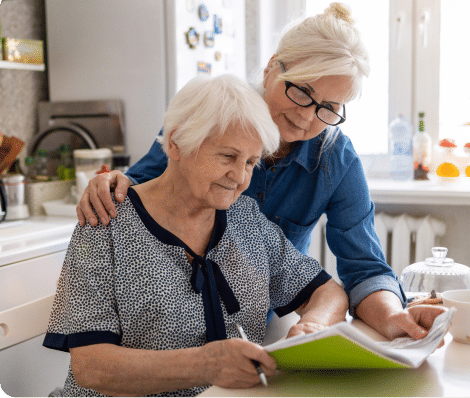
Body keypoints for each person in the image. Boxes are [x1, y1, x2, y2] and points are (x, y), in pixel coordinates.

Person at [76, 3, 446, 342]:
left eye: (329, 107)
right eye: (302, 91)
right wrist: (111, 184)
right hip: (168, 325)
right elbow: (142, 190)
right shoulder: (212, 116)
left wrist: (393, 316)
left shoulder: (336, 159)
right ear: (272, 67)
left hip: (257, 326)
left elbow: (364, 268)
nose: (305, 116)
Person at [44, 74, 349, 397]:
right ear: (176, 143)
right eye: (228, 157)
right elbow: (91, 367)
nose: (239, 177)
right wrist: (206, 365)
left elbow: (328, 293)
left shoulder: (246, 220)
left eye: (251, 162)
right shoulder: (105, 221)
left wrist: (312, 326)